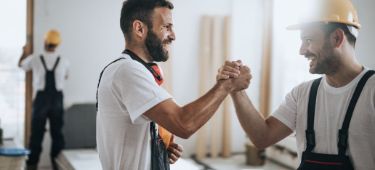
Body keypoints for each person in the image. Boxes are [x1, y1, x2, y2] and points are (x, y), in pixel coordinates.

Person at [217, 0, 375, 169]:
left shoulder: (371, 91)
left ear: (337, 38)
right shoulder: (303, 94)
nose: (301, 50)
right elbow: (262, 137)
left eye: (308, 40)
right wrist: (236, 90)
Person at [95, 0, 251, 169]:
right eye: (166, 27)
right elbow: (184, 124)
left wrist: (158, 148)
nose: (173, 35)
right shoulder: (127, 71)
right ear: (139, 29)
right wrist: (225, 85)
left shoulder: (141, 70)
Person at [19, 29, 69, 170]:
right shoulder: (64, 60)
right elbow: (66, 76)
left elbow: (21, 65)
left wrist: (24, 51)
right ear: (57, 44)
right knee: (57, 135)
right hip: (57, 100)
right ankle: (57, 166)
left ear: (45, 42)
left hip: (41, 100)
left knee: (36, 136)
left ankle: (31, 166)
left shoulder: (35, 58)